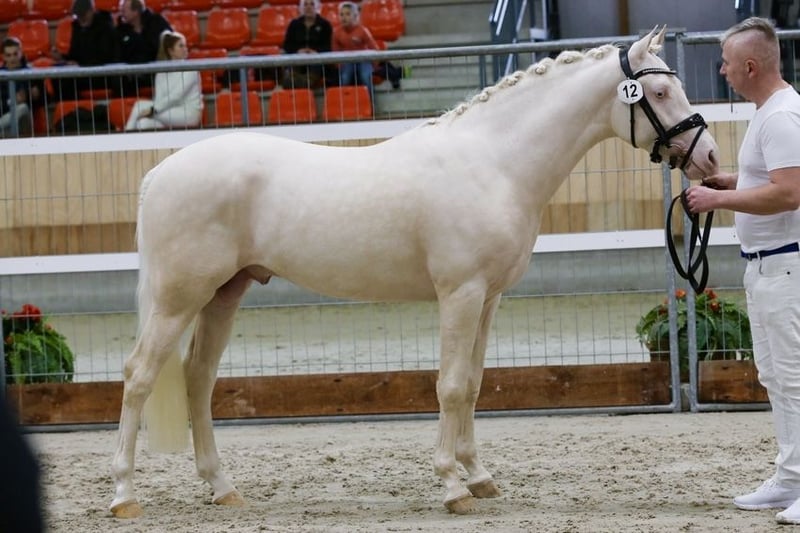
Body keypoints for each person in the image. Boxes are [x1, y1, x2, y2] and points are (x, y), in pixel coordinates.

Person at [684, 16, 800, 525]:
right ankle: (791, 478)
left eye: (727, 63)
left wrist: (718, 199)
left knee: (794, 378)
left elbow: (790, 192)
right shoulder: (770, 113)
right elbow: (773, 179)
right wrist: (735, 180)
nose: (723, 71)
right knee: (777, 377)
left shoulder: (781, 117)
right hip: (768, 267)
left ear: (750, 66)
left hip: (786, 265)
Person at [125, 30, 202, 131]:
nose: (185, 49)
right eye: (181, 46)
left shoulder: (191, 69)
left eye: (185, 45)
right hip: (166, 111)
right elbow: (159, 99)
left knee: (139, 106)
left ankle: (125, 135)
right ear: (171, 51)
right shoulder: (161, 72)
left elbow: (176, 96)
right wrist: (154, 110)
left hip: (188, 113)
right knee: (143, 123)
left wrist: (153, 110)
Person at [52, 0, 121, 100]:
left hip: (101, 73)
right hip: (82, 71)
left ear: (91, 11)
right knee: (57, 75)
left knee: (67, 81)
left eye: (83, 17)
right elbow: (74, 54)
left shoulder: (105, 27)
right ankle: (70, 106)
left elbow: (106, 57)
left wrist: (80, 65)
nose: (81, 21)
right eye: (79, 17)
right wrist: (62, 57)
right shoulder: (77, 26)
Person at [116, 0, 172, 95]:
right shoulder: (120, 30)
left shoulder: (157, 23)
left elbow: (169, 43)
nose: (121, 14)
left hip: (157, 70)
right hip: (132, 75)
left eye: (124, 11)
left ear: (135, 11)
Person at [281, 0, 333, 89]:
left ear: (317, 7)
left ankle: (304, 83)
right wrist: (298, 51)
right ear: (301, 7)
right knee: (289, 66)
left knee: (317, 64)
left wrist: (315, 52)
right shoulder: (294, 24)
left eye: (312, 4)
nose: (308, 7)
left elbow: (328, 46)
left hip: (317, 59)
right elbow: (287, 45)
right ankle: (294, 82)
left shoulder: (325, 24)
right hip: (297, 58)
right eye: (305, 4)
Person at [332, 1, 378, 99]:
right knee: (344, 78)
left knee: (365, 76)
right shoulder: (336, 33)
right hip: (346, 61)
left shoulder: (363, 31)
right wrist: (339, 66)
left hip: (363, 60)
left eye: (347, 14)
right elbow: (334, 52)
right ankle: (344, 103)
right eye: (341, 14)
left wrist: (374, 66)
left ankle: (371, 103)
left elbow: (375, 49)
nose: (344, 17)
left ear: (355, 16)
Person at [0, 37, 43, 138]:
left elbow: (45, 99)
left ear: (21, 53)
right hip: (5, 118)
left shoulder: (31, 73)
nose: (12, 58)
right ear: (3, 57)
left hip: (25, 120)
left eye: (15, 54)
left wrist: (31, 96)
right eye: (8, 55)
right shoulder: (0, 75)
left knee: (23, 108)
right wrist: (12, 101)